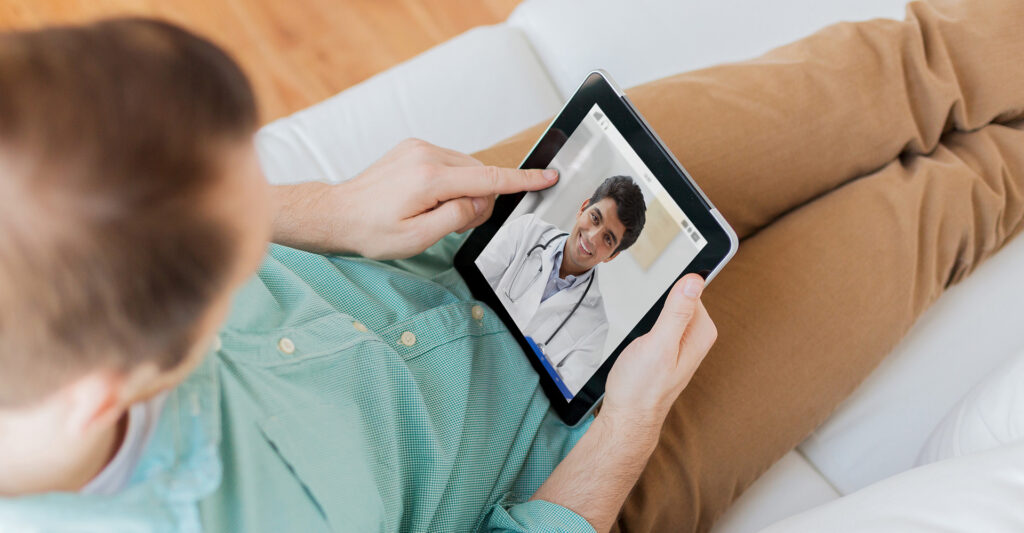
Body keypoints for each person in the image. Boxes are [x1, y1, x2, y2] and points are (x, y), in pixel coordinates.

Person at [1, 0, 1023, 531]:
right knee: (949, 203)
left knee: (896, 70)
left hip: (467, 243)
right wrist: (626, 426)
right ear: (112, 391)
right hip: (575, 467)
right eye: (237, 251)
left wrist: (328, 207)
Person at [476, 175, 647, 395]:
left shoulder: (596, 327)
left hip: (505, 393)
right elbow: (469, 280)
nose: (593, 237)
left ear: (612, 256)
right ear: (583, 208)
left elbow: (564, 394)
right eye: (595, 218)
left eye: (608, 239)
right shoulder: (526, 231)